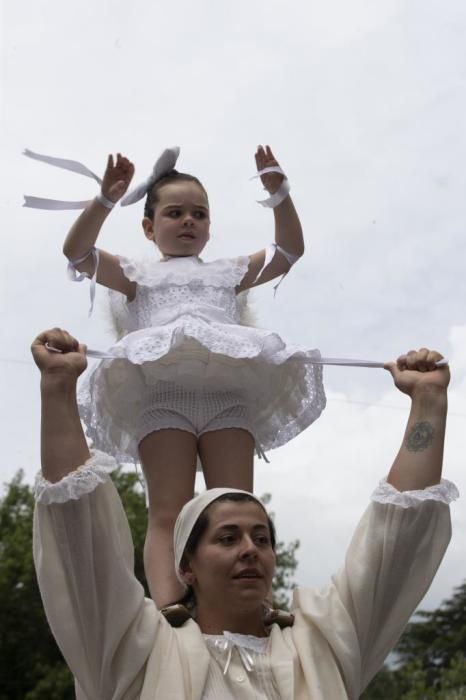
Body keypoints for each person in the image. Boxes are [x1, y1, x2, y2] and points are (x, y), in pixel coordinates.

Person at [32, 328, 458, 699]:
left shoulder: (322, 643)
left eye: (262, 538)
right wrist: (57, 386)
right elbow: (79, 540)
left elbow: (394, 543)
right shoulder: (137, 649)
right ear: (187, 568)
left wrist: (429, 401)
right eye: (227, 537)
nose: (251, 549)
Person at [46, 145, 325, 608]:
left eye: (199, 213)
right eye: (175, 213)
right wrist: (104, 198)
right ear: (149, 227)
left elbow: (289, 250)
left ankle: (254, 604)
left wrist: (280, 194)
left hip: (228, 398)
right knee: (168, 512)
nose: (189, 221)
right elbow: (77, 253)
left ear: (210, 226)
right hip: (163, 398)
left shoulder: (227, 273)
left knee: (235, 506)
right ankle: (169, 604)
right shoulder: (136, 275)